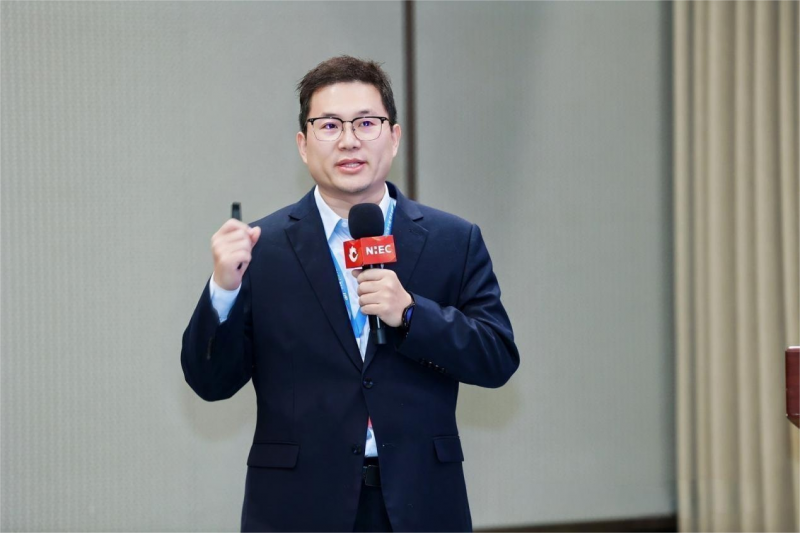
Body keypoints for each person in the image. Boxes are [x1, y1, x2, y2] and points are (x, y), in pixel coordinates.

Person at [181, 55, 520, 533]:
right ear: (303, 145)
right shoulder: (262, 248)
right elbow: (210, 382)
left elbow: (497, 358)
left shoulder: (453, 240)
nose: (349, 140)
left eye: (365, 122)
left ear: (394, 137)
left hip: (421, 504)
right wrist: (223, 288)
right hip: (297, 508)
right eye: (329, 125)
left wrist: (411, 313)